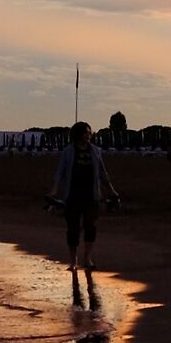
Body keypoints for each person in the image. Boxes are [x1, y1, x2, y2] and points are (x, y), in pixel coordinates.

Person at [47, 121, 119, 307]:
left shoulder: (95, 151)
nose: (89, 135)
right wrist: (54, 191)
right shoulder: (68, 152)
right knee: (72, 228)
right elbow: (60, 174)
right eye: (86, 133)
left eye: (89, 133)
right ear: (78, 134)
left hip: (91, 196)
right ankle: (73, 260)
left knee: (90, 226)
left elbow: (103, 173)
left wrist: (111, 191)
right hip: (72, 196)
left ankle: (87, 257)